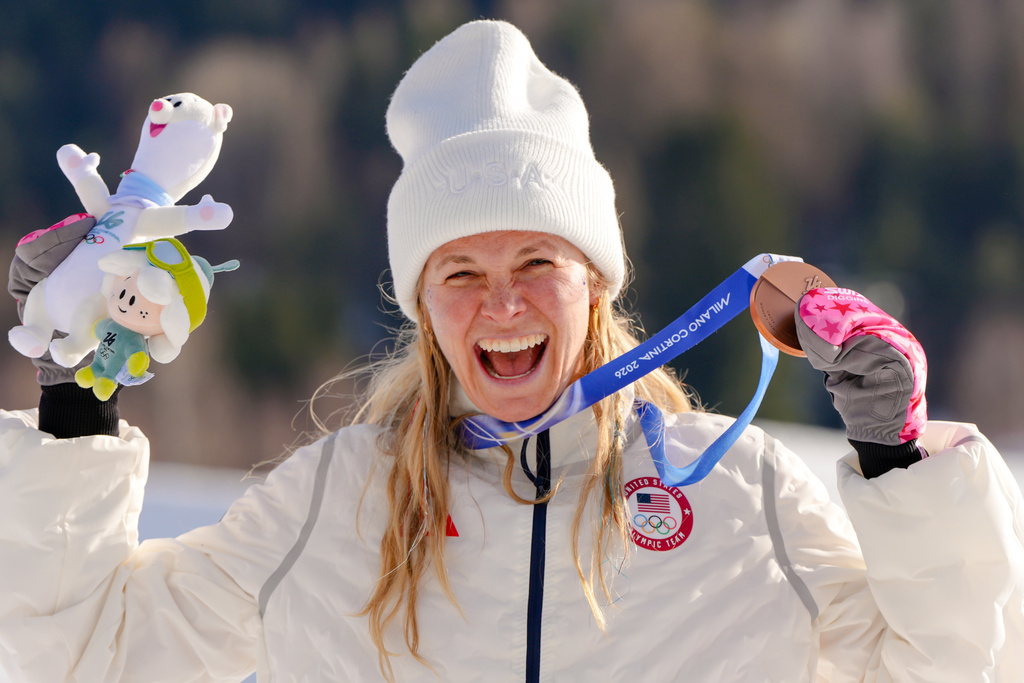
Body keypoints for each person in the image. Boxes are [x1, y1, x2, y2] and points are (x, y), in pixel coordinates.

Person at [1, 19, 1022, 683]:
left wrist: (896, 459)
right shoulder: (338, 502)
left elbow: (953, 666)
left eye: (537, 257)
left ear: (596, 282)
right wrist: (71, 402)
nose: (501, 303)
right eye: (459, 272)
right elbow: (88, 653)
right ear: (420, 302)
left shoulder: (733, 491)